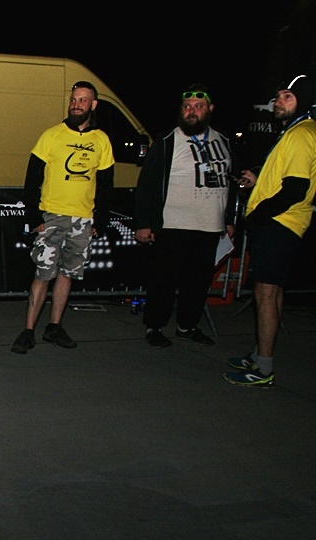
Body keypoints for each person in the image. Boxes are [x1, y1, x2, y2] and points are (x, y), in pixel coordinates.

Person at [133, 84, 253, 349]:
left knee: (198, 282)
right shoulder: (167, 141)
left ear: (210, 109)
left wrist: (230, 219)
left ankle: (187, 326)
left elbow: (232, 181)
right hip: (173, 224)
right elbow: (147, 185)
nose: (191, 112)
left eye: (198, 107)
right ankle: (155, 326)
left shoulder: (223, 141)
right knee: (164, 280)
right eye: (187, 107)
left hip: (210, 225)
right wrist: (144, 223)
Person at [225, 74, 316, 388]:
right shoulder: (295, 132)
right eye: (278, 96)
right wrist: (256, 178)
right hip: (282, 224)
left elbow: (295, 188)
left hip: (280, 224)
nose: (279, 102)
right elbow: (280, 177)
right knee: (273, 292)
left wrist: (258, 215)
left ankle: (263, 369)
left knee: (265, 293)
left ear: (304, 101)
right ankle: (259, 355)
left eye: (288, 97)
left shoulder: (302, 133)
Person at [11, 81, 114, 354]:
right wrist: (35, 216)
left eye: (82, 100)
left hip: (83, 220)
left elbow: (106, 185)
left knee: (68, 274)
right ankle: (28, 330)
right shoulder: (51, 135)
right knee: (43, 273)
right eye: (73, 100)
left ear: (93, 105)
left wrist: (100, 221)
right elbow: (32, 179)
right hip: (51, 217)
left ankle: (54, 327)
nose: (76, 105)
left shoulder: (101, 140)